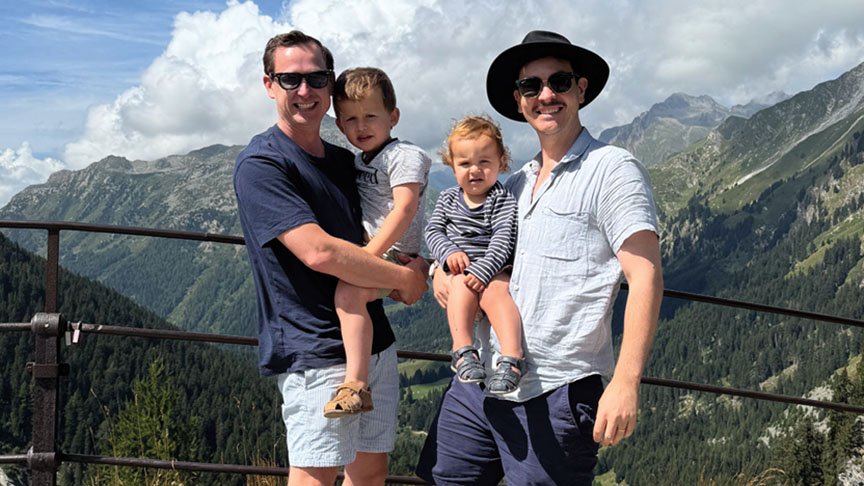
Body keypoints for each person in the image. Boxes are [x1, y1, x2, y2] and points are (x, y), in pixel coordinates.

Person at [416, 30, 663, 485]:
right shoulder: (513, 183)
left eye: (560, 82)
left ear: (581, 89)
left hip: (557, 391)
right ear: (519, 99)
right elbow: (463, 237)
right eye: (532, 86)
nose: (546, 95)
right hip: (478, 382)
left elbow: (645, 277)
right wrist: (437, 270)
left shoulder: (613, 170)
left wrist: (626, 382)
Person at [233, 31, 428, 486]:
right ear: (269, 85)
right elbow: (319, 252)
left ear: (330, 84)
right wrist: (405, 279)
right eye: (290, 79)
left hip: (374, 341)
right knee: (315, 477)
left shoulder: (348, 163)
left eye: (317, 78)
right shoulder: (262, 164)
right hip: (316, 353)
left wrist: (405, 271)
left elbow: (379, 228)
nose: (305, 90)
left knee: (370, 473)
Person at [325, 67, 432, 418]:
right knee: (350, 295)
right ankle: (358, 386)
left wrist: (366, 256)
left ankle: (355, 385)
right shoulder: (360, 161)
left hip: (393, 252)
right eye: (351, 119)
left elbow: (405, 207)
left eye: (371, 116)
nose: (361, 126)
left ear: (393, 117)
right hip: (382, 251)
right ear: (340, 126)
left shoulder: (405, 156)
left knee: (348, 292)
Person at [425, 115, 523, 394]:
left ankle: (512, 358)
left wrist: (483, 270)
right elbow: (433, 232)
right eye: (465, 163)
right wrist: (448, 253)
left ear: (501, 163)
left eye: (484, 162)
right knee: (459, 289)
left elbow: (504, 240)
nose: (474, 170)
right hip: (459, 269)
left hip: (494, 269)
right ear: (452, 166)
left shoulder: (502, 199)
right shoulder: (447, 199)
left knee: (497, 294)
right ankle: (463, 350)